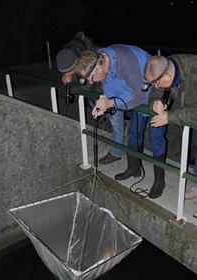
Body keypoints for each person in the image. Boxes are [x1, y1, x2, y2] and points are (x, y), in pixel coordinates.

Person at [75, 45, 167, 199]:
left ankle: (160, 180)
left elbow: (139, 96)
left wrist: (111, 104)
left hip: (154, 93)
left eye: (92, 79)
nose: (92, 83)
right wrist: (105, 100)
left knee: (156, 136)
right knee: (133, 133)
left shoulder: (125, 61)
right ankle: (134, 168)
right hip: (132, 94)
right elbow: (109, 85)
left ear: (100, 66)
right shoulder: (104, 58)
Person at [56, 31, 127, 164]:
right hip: (96, 86)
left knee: (116, 119)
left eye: (70, 72)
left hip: (111, 84)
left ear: (78, 63)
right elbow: (84, 81)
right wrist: (68, 76)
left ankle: (116, 152)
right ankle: (110, 124)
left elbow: (89, 85)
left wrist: (71, 86)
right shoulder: (68, 53)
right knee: (93, 105)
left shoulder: (93, 52)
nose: (68, 74)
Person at [143, 54, 197, 217]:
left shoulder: (194, 71)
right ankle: (196, 185)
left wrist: (169, 116)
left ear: (166, 75)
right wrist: (154, 103)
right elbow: (154, 94)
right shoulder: (165, 67)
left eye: (156, 82)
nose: (155, 86)